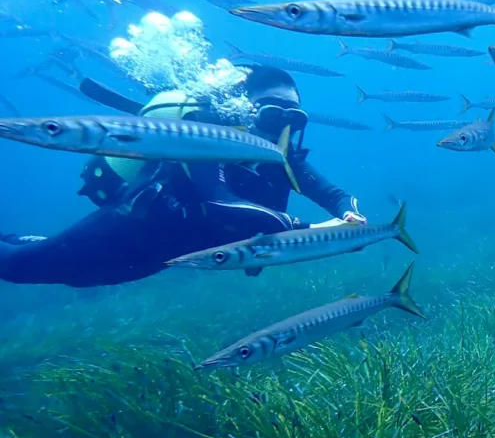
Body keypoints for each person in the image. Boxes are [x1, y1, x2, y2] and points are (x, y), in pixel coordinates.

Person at [0, 66, 365, 288]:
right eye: (272, 113)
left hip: (164, 254)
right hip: (127, 235)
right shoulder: (205, 140)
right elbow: (221, 204)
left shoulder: (277, 154)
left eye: (293, 117)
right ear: (242, 109)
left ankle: (25, 240)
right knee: (17, 267)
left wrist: (350, 215)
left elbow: (332, 193)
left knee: (72, 275)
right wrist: (309, 229)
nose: (282, 124)